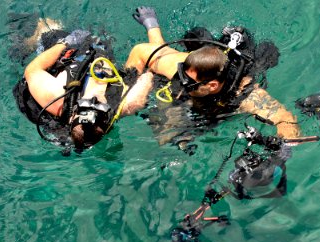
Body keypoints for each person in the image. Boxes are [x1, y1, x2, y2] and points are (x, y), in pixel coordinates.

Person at [125, 7, 300, 152]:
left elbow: (285, 119)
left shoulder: (245, 95)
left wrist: (282, 151)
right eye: (182, 74)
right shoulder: (180, 66)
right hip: (205, 69)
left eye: (189, 82)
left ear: (212, 85)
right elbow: (144, 51)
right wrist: (129, 85)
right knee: (164, 136)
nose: (182, 82)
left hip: (228, 88)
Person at [12, 18, 153, 154]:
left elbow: (32, 70)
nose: (93, 99)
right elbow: (149, 70)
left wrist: (65, 43)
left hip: (69, 51)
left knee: (47, 25)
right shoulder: (129, 102)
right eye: (97, 104)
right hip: (99, 51)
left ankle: (25, 44)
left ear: (72, 115)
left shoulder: (57, 100)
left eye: (87, 104)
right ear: (107, 119)